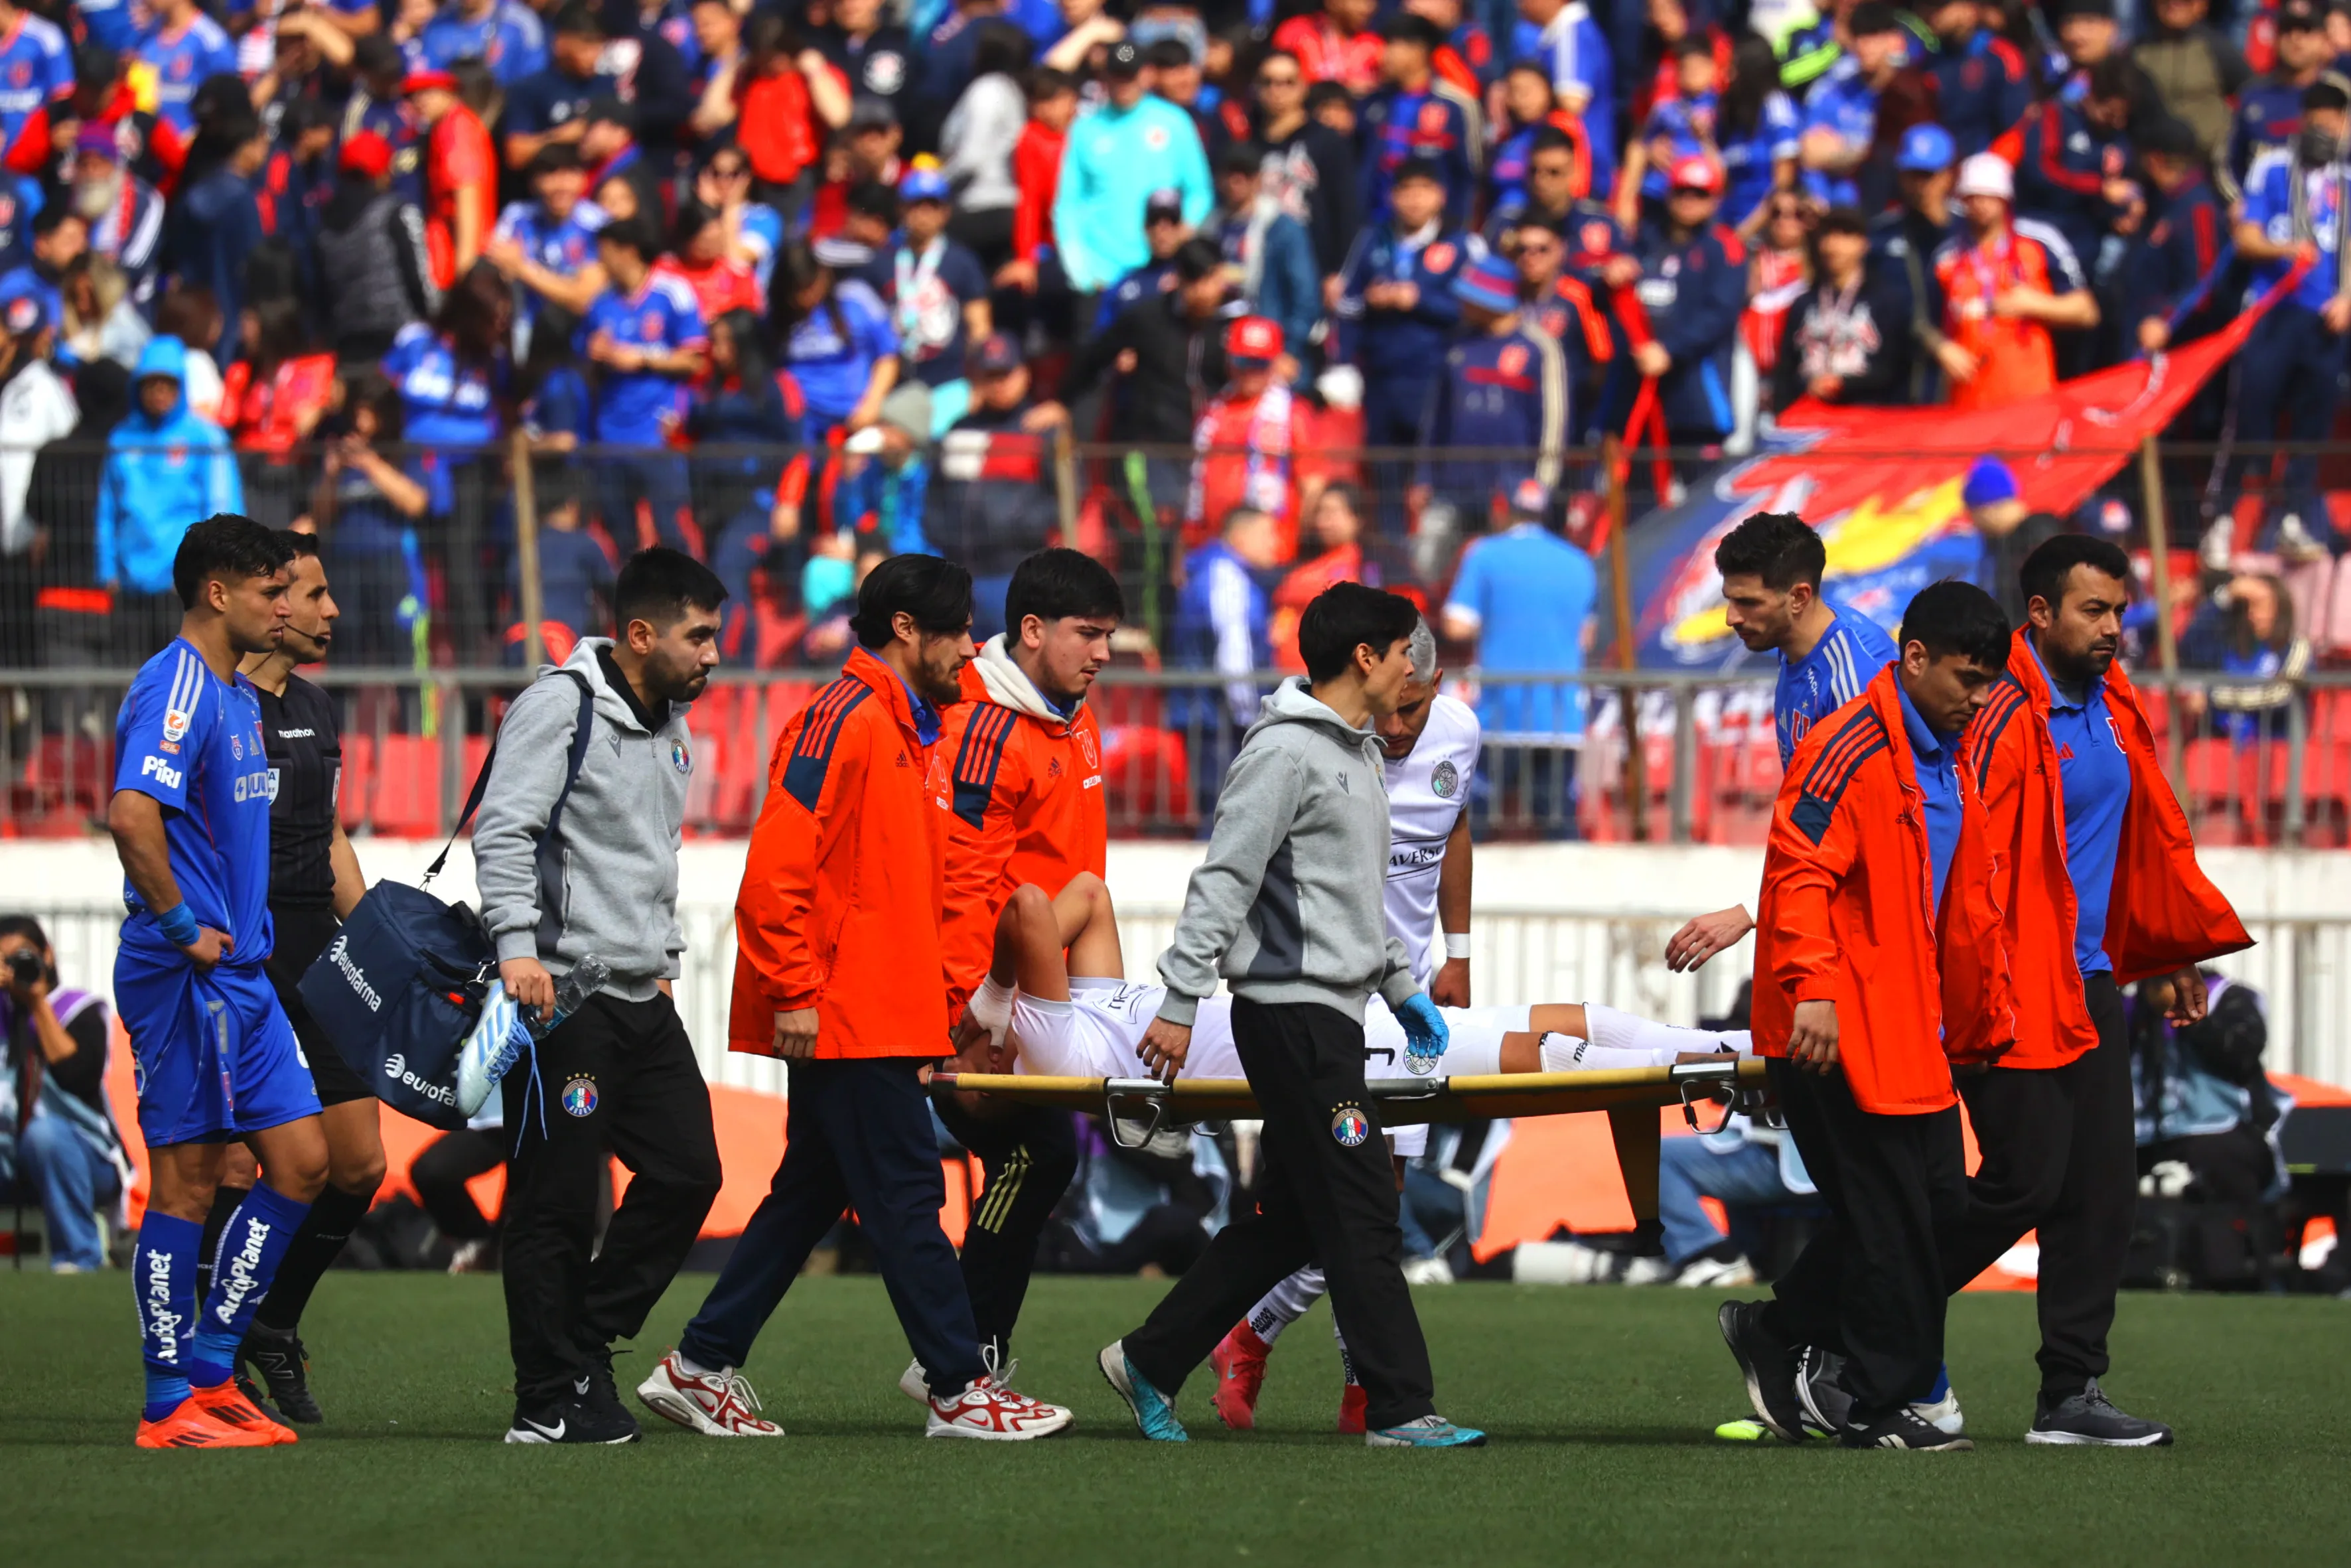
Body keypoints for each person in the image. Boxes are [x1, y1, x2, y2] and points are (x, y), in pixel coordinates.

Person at [638, 555, 1074, 1441]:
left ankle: (700, 1363)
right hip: (846, 1011)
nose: (971, 647)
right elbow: (777, 867)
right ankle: (959, 1386)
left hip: (875, 1007)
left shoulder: (905, 725)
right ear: (906, 628)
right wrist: (796, 989)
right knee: (907, 1194)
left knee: (810, 1192)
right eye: (957, 629)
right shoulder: (845, 718)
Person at [1097, 581, 1484, 1449]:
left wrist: (1402, 989)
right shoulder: (1282, 752)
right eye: (1402, 655)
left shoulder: (1356, 753)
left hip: (1328, 1014)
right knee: (1364, 1205)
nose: (1411, 672)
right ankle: (1398, 1407)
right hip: (1290, 1018)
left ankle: (1150, 1358)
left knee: (1298, 1220)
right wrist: (1178, 1000)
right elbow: (1223, 881)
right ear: (1366, 657)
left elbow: (1356, 902)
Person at [1902, 535, 2251, 1447]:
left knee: (2101, 1193)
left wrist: (2167, 948)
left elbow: (2139, 833)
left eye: (2119, 610)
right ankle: (1823, 1310)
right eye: (2094, 610)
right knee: (2024, 1181)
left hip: (2088, 978)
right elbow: (1949, 851)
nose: (2112, 627)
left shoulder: (2109, 697)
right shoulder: (1994, 708)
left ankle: (2070, 1393)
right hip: (2008, 978)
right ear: (2039, 612)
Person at [1719, 580, 2016, 1453]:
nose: (1977, 699)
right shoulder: (1846, 747)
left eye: (1988, 683)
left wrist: (1973, 1018)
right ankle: (1879, 1399)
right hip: (1835, 1027)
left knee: (1935, 1211)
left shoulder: (1944, 753)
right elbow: (1798, 870)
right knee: (1892, 1220)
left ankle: (1780, 1330)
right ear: (1913, 657)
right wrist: (1812, 987)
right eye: (1966, 679)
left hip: (1907, 1026)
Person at [472, 547, 729, 1444]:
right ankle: (545, 1398)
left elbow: (652, 856)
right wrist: (516, 949)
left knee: (691, 1171)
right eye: (699, 636)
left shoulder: (670, 721)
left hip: (640, 994)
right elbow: (506, 829)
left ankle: (581, 1340)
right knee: (554, 1200)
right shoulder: (561, 705)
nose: (713, 654)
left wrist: (660, 958)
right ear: (641, 634)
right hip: (562, 995)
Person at [1206, 617, 1485, 1431]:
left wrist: (1458, 951)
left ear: (1435, 686)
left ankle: (1251, 1340)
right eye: (1391, 707)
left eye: (1415, 710)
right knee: (1353, 1196)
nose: (1397, 728)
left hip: (1405, 996)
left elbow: (1455, 828)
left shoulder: (1461, 732)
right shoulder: (1315, 741)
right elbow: (1235, 869)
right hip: (1320, 993)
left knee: (1355, 1196)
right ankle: (1356, 1382)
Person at [107, 516, 325, 1450]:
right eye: (271, 591)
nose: (284, 606)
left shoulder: (236, 693)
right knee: (188, 1184)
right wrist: (178, 925)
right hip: (185, 973)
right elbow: (131, 813)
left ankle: (212, 1369)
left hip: (244, 973)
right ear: (217, 592)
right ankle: (168, 1403)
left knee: (304, 1162)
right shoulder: (180, 685)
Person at [175, 534, 381, 1425]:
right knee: (229, 1160)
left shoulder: (318, 705)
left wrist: (373, 942)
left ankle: (272, 1320)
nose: (331, 611)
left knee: (360, 1163)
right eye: (314, 592)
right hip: (238, 946)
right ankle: (210, 1360)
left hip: (315, 947)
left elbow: (329, 834)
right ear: (272, 599)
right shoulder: (215, 703)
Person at [916, 547, 1125, 1393]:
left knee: (1036, 1154)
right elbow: (964, 889)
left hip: (1031, 992)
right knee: (1037, 1152)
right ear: (1032, 631)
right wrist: (973, 1017)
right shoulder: (985, 728)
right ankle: (965, 1358)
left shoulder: (1071, 711)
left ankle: (965, 1357)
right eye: (1088, 633)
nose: (1104, 652)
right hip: (980, 1002)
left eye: (1109, 636)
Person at [1666, 510, 1897, 973]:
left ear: (1798, 597)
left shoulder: (1855, 679)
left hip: (1865, 931)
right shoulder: (1795, 649)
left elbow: (1867, 832)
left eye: (1748, 602)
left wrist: (1752, 913)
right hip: (1822, 907)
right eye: (1729, 599)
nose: (1732, 617)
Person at [2230, 80, 2351, 559]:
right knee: (2251, 416)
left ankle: (2295, 520)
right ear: (2302, 121)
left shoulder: (2347, 179)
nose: (2324, 133)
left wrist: (2348, 299)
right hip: (2272, 311)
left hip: (2325, 320)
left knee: (2312, 424)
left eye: (2333, 124)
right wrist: (2285, 249)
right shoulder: (2273, 166)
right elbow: (2246, 238)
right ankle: (2225, 520)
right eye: (2316, 122)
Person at [1440, 480, 1597, 839]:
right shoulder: (1579, 562)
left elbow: (1457, 625)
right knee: (1559, 824)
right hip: (1560, 715)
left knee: (1474, 826)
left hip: (1501, 713)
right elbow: (1587, 636)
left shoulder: (1485, 555)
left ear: (1501, 510)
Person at [96, 336, 245, 654]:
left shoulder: (205, 436)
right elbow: (107, 509)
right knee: (136, 674)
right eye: (151, 383)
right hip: (131, 582)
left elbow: (222, 506)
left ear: (181, 386)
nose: (159, 391)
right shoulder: (122, 438)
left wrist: (211, 570)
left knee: (184, 672)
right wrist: (107, 568)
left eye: (168, 383)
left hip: (183, 585)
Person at [0, 916, 126, 1274]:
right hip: (11, 1155)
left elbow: (78, 1077)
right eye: (5, 962)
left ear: (47, 955)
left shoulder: (80, 1008)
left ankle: (78, 1257)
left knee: (45, 1136)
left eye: (21, 957)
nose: (14, 969)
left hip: (83, 1155)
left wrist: (36, 1002)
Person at [1932, 154, 2096, 413]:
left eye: (1991, 196)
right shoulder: (1946, 255)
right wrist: (1941, 348)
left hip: (2028, 398)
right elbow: (1927, 322)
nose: (1981, 204)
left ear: (2005, 198)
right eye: (1973, 197)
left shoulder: (2039, 240)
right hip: (1968, 401)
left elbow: (2087, 312)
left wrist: (2035, 305)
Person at [1052, 38, 1211, 301]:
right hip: (1102, 272)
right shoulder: (1086, 130)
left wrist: (1184, 231)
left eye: (1130, 76)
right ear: (1105, 78)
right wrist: (1080, 270)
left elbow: (1199, 191)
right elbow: (1069, 203)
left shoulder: (1174, 122)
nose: (1124, 84)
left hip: (1162, 271)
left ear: (1146, 74)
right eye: (1117, 76)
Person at [584, 218, 707, 555]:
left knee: (672, 531)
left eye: (605, 252)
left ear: (628, 251)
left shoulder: (672, 292)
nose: (599, 261)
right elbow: (590, 368)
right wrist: (596, 356)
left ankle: (688, 588)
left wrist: (641, 359)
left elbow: (695, 360)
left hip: (657, 432)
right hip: (611, 434)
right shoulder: (600, 304)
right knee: (620, 535)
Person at [1415, 256, 1569, 524]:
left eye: (1469, 296)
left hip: (1514, 488)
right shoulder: (1457, 343)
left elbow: (1553, 423)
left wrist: (1542, 483)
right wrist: (1424, 476)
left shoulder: (1539, 347)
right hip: (1452, 485)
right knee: (1429, 549)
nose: (1461, 302)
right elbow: (1436, 417)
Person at [1167, 504, 1277, 824]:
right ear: (1240, 536)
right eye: (1267, 534)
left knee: (1219, 813)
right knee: (1228, 819)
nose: (1275, 543)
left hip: (1208, 718)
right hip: (1220, 723)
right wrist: (1254, 721)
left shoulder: (1217, 572)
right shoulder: (1228, 580)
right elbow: (1234, 661)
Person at [1627, 153, 1747, 448]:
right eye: (1682, 192)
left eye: (1700, 194)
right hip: (1640, 390)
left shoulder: (1724, 247)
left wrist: (1669, 350)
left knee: (1697, 474)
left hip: (1698, 393)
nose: (1689, 201)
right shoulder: (1646, 241)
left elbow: (1719, 314)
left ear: (1715, 200)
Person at [1185, 315, 1313, 556]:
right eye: (1242, 361)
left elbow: (1312, 486)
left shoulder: (1294, 413)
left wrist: (1297, 543)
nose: (1250, 371)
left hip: (1271, 553)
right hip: (1209, 549)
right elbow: (1194, 483)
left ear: (1275, 363)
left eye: (1260, 363)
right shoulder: (1212, 412)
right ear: (1229, 361)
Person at [1773, 205, 1911, 407]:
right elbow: (1786, 370)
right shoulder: (1803, 303)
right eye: (1828, 235)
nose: (1834, 245)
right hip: (1809, 413)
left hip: (1865, 413)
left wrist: (1845, 384)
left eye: (1845, 235)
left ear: (1863, 244)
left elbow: (1895, 367)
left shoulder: (1886, 301)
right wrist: (1805, 386)